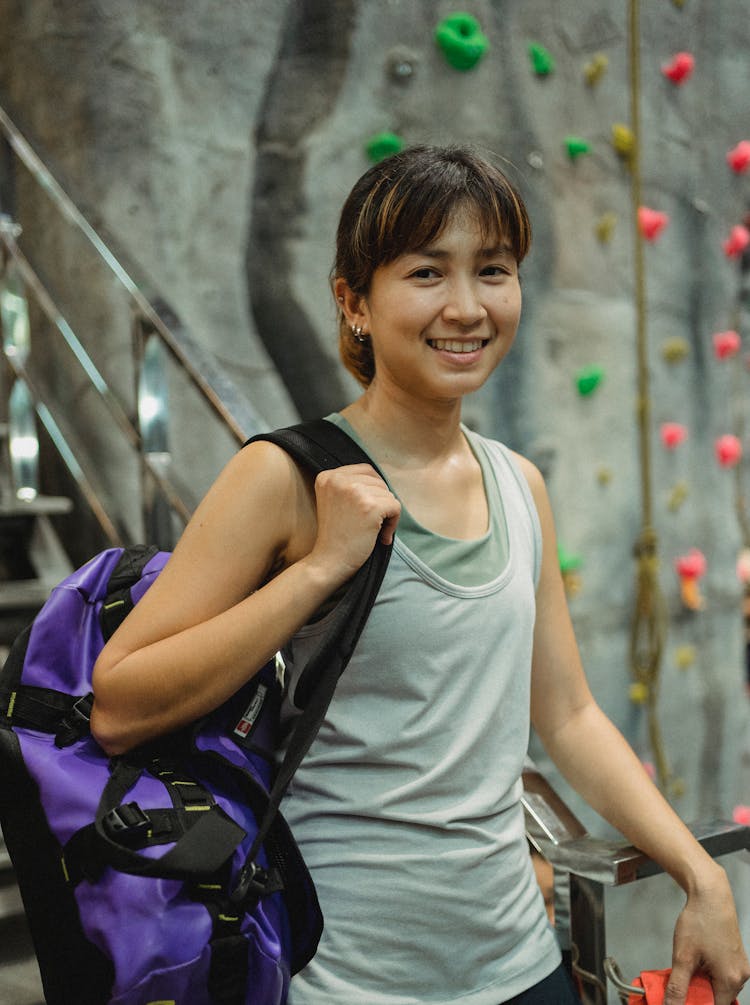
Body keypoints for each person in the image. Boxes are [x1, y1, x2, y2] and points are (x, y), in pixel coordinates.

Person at [91, 145, 749, 1005]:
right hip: (347, 982)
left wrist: (701, 875)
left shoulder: (521, 484)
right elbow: (118, 702)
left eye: (494, 270)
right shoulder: (283, 477)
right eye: (427, 273)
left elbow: (571, 713)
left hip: (521, 965)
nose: (467, 307)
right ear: (353, 301)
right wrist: (321, 566)